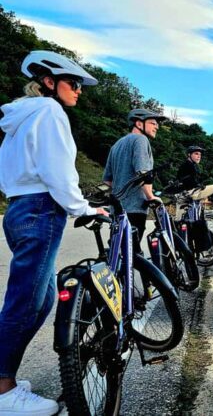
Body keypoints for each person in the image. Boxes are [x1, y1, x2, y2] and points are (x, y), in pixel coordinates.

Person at [0, 50, 108, 415]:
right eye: (73, 83)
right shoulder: (49, 111)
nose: (79, 91)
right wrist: (84, 208)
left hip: (18, 209)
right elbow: (57, 170)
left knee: (42, 299)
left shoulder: (21, 116)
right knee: (24, 301)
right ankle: (3, 389)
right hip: (41, 209)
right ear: (50, 82)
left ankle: (5, 375)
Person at [103, 108, 167, 253]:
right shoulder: (140, 140)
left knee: (118, 253)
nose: (156, 126)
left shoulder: (117, 145)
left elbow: (108, 181)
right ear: (138, 123)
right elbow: (143, 172)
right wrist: (151, 197)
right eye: (152, 123)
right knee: (133, 255)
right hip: (134, 208)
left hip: (117, 209)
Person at [176, 146, 213, 221]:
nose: (199, 156)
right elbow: (190, 181)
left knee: (179, 220)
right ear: (189, 154)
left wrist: (198, 185)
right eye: (196, 154)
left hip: (182, 194)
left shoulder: (184, 165)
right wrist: (199, 185)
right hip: (191, 193)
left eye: (200, 155)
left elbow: (184, 180)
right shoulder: (190, 166)